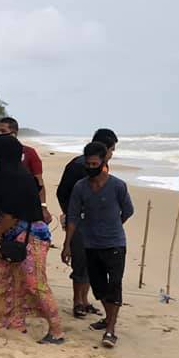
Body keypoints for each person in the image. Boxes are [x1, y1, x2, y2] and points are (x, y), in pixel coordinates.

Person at [0, 134, 64, 344]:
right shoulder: (11, 175)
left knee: (35, 284)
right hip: (15, 235)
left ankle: (56, 330)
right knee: (7, 280)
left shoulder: (15, 177)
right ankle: (13, 323)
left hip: (31, 236)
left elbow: (11, 214)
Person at [62, 141, 134, 349]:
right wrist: (67, 244)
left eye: (95, 164)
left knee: (115, 286)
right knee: (99, 289)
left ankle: (110, 328)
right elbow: (73, 216)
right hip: (90, 244)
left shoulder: (118, 185)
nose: (91, 167)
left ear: (103, 162)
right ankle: (108, 315)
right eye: (88, 164)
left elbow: (127, 211)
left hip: (115, 244)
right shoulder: (80, 187)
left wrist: (113, 225)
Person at [56, 128, 118, 319]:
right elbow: (62, 193)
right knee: (81, 262)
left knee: (93, 263)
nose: (113, 153)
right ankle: (78, 302)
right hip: (80, 222)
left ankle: (85, 300)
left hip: (98, 224)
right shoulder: (79, 166)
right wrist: (72, 214)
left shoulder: (103, 167)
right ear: (104, 148)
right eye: (112, 149)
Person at [0, 117, 51, 234]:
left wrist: (43, 207)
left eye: (3, 131)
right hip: (2, 206)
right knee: (4, 237)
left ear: (14, 133)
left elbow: (39, 183)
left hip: (27, 207)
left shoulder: (29, 153)